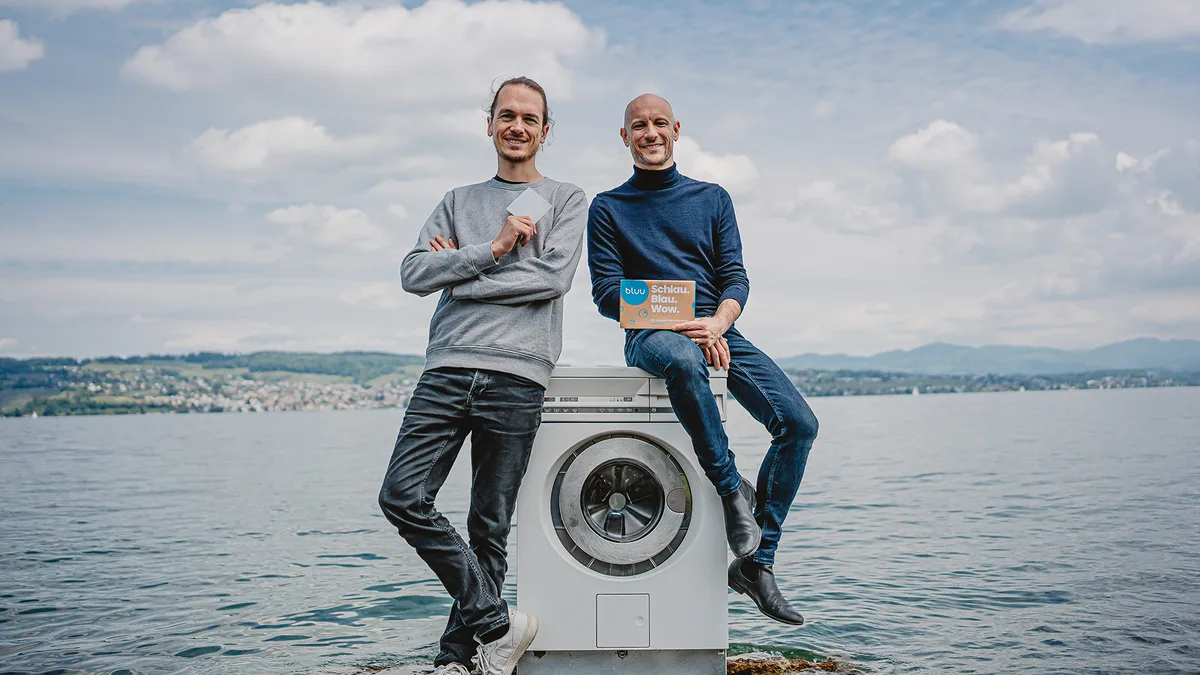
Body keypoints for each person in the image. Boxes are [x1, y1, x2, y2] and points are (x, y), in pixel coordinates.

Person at [378, 76, 587, 675]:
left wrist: (458, 272)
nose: (516, 126)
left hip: (518, 377)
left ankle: (457, 660)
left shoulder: (566, 199)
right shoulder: (456, 199)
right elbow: (413, 274)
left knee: (487, 526)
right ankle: (497, 623)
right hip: (445, 370)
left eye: (529, 118)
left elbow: (550, 280)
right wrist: (493, 249)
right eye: (506, 115)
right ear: (489, 123)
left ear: (545, 132)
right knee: (403, 496)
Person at [587, 93, 818, 626]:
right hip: (652, 338)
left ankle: (757, 564)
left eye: (659, 123)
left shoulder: (712, 197)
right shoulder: (608, 207)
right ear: (625, 137)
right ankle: (730, 487)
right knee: (686, 362)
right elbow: (605, 294)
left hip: (719, 331)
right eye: (638, 125)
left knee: (799, 424)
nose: (650, 133)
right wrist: (680, 324)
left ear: (676, 130)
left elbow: (736, 278)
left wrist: (716, 324)